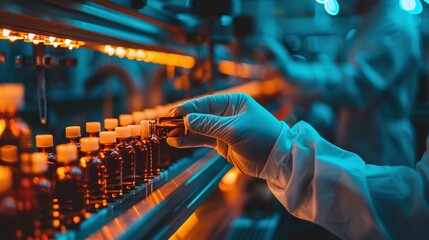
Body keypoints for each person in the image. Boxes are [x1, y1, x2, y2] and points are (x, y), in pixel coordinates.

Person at [167, 93, 429, 239]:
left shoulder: (392, 22)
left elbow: (413, 213)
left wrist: (282, 152)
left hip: (382, 139)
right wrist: (282, 153)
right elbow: (414, 203)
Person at [247, 0, 421, 167]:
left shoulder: (393, 26)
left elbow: (356, 84)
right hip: (360, 137)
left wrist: (293, 71)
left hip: (382, 147)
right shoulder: (372, 21)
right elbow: (343, 72)